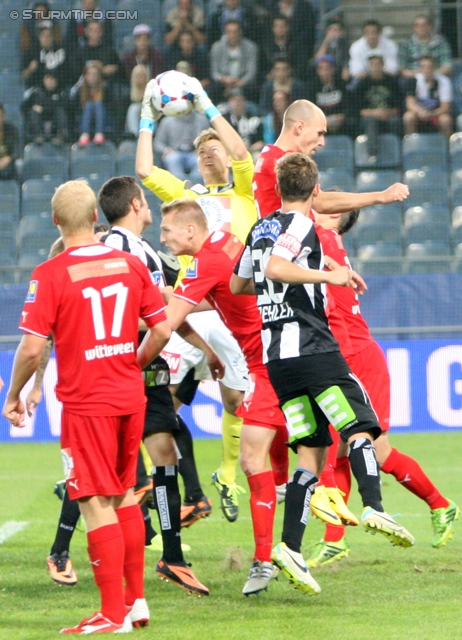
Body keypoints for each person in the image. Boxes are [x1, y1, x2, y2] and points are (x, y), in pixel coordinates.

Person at [232, 152, 415, 593]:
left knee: (311, 451)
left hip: (278, 362)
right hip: (312, 349)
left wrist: (283, 286)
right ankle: (373, 505)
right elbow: (277, 267)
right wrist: (326, 277)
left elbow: (240, 283)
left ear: (278, 189)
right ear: (316, 193)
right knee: (359, 424)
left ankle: (290, 549)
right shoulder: (301, 226)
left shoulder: (260, 228)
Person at [2, 179, 171, 633]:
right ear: (97, 216)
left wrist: (14, 395)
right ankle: (136, 604)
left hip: (86, 403)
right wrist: (134, 364)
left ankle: (111, 613)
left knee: (94, 502)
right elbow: (161, 328)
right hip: (129, 396)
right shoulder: (130, 264)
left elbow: (33, 349)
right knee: (124, 497)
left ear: (56, 221)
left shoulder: (51, 273)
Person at [136, 75, 274, 524]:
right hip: (190, 306)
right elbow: (143, 170)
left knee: (237, 400)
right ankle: (151, 481)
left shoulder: (242, 193)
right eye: (200, 149)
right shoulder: (188, 199)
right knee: (161, 402)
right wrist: (145, 116)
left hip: (233, 310)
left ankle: (225, 477)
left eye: (213, 146)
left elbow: (240, 154)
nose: (207, 152)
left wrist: (207, 106)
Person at [308, 207, 460, 566]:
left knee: (350, 447)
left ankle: (440, 505)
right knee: (351, 450)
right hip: (348, 353)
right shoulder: (324, 239)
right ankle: (336, 538)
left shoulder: (324, 237)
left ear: (337, 216)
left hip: (356, 357)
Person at [159, 198, 289, 595]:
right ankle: (293, 489)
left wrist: (130, 364)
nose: (162, 238)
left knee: (252, 458)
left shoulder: (203, 262)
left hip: (269, 361)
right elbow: (213, 295)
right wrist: (166, 294)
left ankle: (266, 559)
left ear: (190, 231)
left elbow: (167, 325)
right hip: (280, 350)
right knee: (276, 442)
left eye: (167, 231)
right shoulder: (227, 242)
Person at [98, 176, 214, 596]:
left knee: (155, 456)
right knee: (135, 466)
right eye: (146, 203)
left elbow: (173, 301)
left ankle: (169, 557)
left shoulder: (125, 248)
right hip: (131, 364)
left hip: (130, 366)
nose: (151, 211)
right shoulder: (123, 250)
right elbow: (155, 312)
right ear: (134, 204)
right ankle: (147, 559)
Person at [253, 99, 409, 219]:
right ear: (300, 128)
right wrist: (380, 196)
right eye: (319, 133)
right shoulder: (282, 160)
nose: (322, 142)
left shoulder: (270, 155)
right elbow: (321, 203)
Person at [353, 51, 402, 160]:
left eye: (378, 64)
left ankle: (396, 154)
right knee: (371, 121)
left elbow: (399, 107)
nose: (375, 67)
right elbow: (357, 110)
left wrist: (387, 112)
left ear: (383, 65)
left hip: (389, 115)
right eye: (373, 65)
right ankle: (372, 155)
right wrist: (374, 113)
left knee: (396, 121)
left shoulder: (392, 82)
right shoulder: (362, 84)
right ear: (369, 66)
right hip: (369, 117)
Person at [403, 55, 453, 138]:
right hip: (419, 112)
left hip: (436, 112)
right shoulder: (413, 80)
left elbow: (445, 107)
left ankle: (447, 147)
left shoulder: (444, 81)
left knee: (445, 120)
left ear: (434, 68)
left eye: (429, 67)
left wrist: (431, 113)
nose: (427, 70)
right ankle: (411, 146)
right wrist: (420, 112)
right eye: (424, 67)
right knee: (408, 117)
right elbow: (410, 104)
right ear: (420, 68)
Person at [209, 20, 258, 103]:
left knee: (253, 89)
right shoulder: (216, 47)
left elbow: (251, 72)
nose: (232, 35)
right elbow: (214, 73)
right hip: (224, 82)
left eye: (235, 32)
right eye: (229, 32)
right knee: (213, 90)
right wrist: (224, 79)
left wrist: (239, 83)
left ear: (240, 32)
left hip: (243, 82)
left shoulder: (251, 47)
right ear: (225, 33)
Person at [154, 110, 209, 183]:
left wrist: (201, 150)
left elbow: (209, 140)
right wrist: (166, 150)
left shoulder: (202, 120)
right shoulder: (167, 121)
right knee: (172, 159)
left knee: (201, 160)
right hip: (174, 152)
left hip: (194, 153)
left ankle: (196, 187)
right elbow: (158, 142)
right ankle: (178, 186)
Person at [309, 55, 352, 136]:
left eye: (327, 69)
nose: (325, 72)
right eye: (321, 69)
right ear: (317, 71)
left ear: (333, 69)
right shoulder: (311, 88)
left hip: (341, 122)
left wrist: (342, 116)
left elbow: (349, 106)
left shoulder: (342, 85)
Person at [22, 71, 68, 145]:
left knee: (60, 111)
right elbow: (24, 107)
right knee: (33, 112)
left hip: (54, 122)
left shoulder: (61, 94)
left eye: (52, 79)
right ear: (44, 80)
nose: (50, 81)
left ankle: (60, 136)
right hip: (39, 122)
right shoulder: (36, 92)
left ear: (56, 81)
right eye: (47, 79)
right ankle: (37, 136)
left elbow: (63, 107)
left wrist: (43, 109)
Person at [400, 14, 452, 79]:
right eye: (417, 25)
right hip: (413, 77)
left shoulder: (441, 42)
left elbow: (447, 66)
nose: (421, 27)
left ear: (429, 26)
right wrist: (418, 75)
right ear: (414, 28)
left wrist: (430, 74)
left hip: (436, 76)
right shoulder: (406, 44)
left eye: (424, 25)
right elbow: (402, 68)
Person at [21, 24, 69, 89]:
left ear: (53, 38)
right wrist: (30, 69)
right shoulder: (31, 52)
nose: (46, 39)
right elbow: (23, 75)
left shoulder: (60, 52)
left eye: (49, 36)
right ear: (39, 37)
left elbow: (67, 72)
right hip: (36, 88)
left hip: (58, 88)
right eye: (43, 36)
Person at [222, 88, 264, 160]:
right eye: (234, 100)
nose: (237, 103)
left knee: (258, 156)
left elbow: (261, 143)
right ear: (229, 102)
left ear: (245, 102)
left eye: (240, 100)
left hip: (250, 152)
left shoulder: (254, 119)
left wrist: (248, 149)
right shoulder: (223, 120)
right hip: (230, 153)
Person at [73, 63, 108, 145]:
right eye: (89, 74)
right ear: (85, 76)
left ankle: (99, 133)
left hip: (103, 119)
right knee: (88, 105)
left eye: (95, 74)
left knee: (98, 104)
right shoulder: (79, 91)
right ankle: (85, 134)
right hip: (84, 119)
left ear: (99, 76)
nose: (92, 77)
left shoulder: (106, 90)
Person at [260, 14, 298, 80]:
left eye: (282, 26)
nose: (280, 29)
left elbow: (300, 67)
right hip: (271, 81)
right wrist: (268, 75)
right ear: (273, 29)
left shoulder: (296, 46)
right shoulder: (266, 47)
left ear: (288, 28)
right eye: (277, 26)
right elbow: (262, 68)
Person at [314, 17, 350, 82]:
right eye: (332, 30)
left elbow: (346, 59)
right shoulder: (320, 43)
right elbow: (318, 58)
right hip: (324, 70)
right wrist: (326, 41)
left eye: (337, 30)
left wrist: (345, 68)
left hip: (339, 70)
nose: (335, 33)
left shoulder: (345, 43)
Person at [125, 64, 149, 138]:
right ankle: (135, 135)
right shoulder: (127, 93)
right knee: (134, 108)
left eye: (143, 75)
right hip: (132, 123)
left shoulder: (152, 92)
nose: (141, 78)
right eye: (138, 75)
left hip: (150, 121)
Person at [0, 104, 20, 181]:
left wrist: (7, 159)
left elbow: (17, 151)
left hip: (7, 164)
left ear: (4, 117)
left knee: (8, 170)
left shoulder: (12, 130)